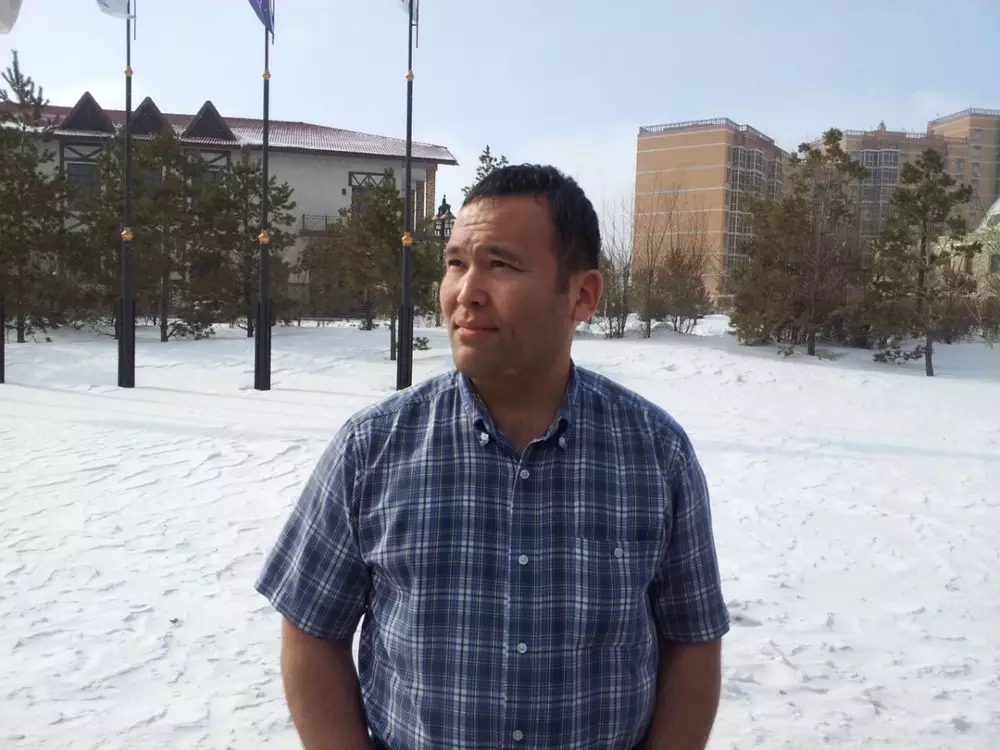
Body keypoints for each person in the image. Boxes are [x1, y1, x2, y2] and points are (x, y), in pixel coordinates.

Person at [255, 164, 730, 750]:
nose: (466, 292)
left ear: (582, 294)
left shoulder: (655, 454)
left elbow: (692, 640)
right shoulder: (372, 448)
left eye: (501, 265)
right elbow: (311, 631)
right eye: (456, 263)